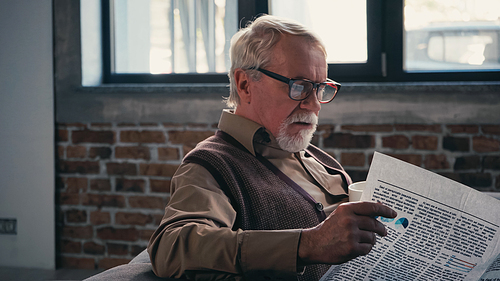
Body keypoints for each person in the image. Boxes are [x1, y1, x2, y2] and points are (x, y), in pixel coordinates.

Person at [147, 15, 397, 281]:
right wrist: (307, 244)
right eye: (298, 86)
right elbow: (171, 248)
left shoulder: (321, 161)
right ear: (245, 84)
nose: (314, 105)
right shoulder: (211, 165)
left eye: (320, 88)